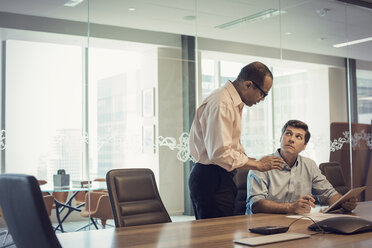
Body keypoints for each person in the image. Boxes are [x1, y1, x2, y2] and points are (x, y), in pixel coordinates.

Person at [188, 61, 285, 220]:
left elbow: (230, 147)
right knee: (216, 237)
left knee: (225, 234)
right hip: (210, 176)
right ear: (248, 85)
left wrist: (255, 160)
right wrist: (258, 165)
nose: (262, 99)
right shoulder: (222, 102)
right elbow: (219, 153)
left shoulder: (233, 102)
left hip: (220, 175)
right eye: (263, 93)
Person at [246, 120, 358, 215]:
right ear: (281, 138)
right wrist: (290, 208)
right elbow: (256, 204)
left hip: (298, 222)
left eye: (298, 137)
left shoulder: (309, 165)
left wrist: (344, 203)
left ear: (304, 146)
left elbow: (329, 194)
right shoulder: (262, 164)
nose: (291, 139)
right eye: (288, 134)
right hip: (263, 224)